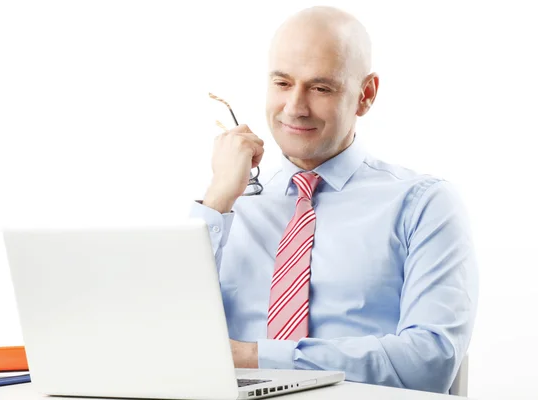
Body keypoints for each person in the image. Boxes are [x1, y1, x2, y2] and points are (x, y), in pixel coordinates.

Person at [189, 5, 478, 394]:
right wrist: (217, 198)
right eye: (282, 83)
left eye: (321, 87)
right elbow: (163, 338)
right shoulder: (228, 207)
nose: (295, 107)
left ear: (366, 94)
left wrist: (255, 357)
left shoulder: (423, 204)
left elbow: (429, 361)